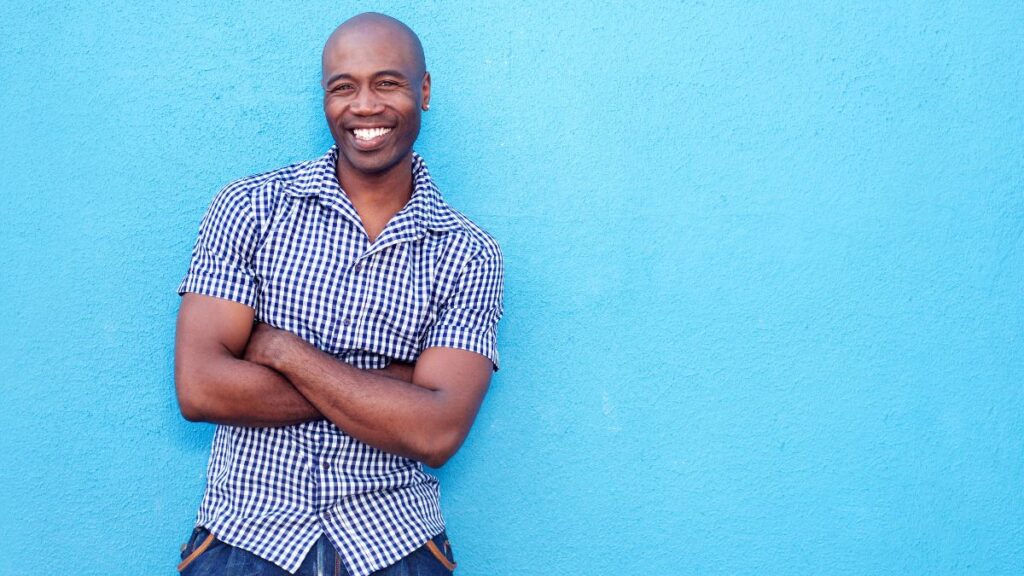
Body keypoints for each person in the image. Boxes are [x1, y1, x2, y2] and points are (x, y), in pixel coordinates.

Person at [173, 12, 503, 576]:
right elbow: (201, 389)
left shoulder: (468, 252)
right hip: (246, 540)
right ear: (325, 99)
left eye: (388, 82)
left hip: (396, 547)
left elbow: (436, 431)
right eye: (343, 87)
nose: (365, 106)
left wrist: (282, 350)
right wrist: (392, 388)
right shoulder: (251, 208)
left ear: (423, 91)